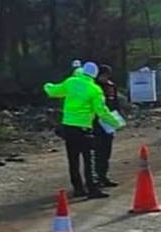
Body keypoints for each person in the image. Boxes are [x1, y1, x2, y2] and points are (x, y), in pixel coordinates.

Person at [44, 61, 123, 199]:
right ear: (95, 74)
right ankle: (93, 189)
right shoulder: (94, 89)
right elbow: (101, 112)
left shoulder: (71, 82)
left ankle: (78, 189)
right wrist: (116, 122)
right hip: (84, 128)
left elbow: (53, 91)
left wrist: (47, 85)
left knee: (73, 160)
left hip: (68, 127)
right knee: (89, 159)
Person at [93, 64, 122, 188]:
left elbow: (115, 104)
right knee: (98, 152)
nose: (105, 78)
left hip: (108, 123)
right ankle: (97, 178)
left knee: (106, 151)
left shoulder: (111, 86)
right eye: (102, 75)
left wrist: (117, 120)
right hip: (96, 123)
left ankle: (104, 177)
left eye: (106, 75)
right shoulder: (93, 87)